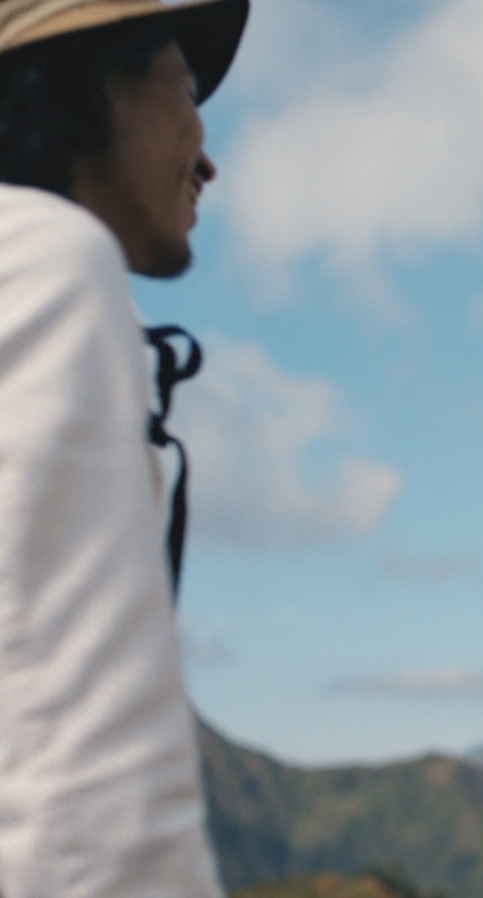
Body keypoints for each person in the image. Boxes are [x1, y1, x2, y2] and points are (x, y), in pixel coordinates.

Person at [0, 1, 248, 895]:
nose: (208, 157)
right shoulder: (39, 265)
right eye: (187, 94)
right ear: (88, 83)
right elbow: (81, 811)